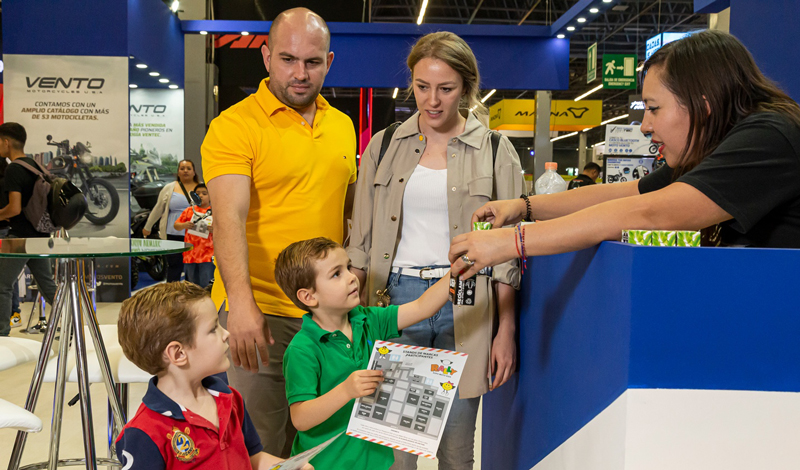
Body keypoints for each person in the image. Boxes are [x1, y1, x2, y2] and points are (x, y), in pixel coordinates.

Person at [448, 30, 800, 280]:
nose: (645, 126)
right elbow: (627, 193)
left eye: (654, 108)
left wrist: (512, 242)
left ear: (703, 106)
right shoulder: (715, 146)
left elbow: (650, 212)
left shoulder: (768, 137)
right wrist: (524, 207)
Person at [347, 31, 524, 469]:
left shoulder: (496, 150)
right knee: (398, 451)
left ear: (465, 87)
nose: (432, 100)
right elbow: (361, 244)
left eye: (445, 89)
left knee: (456, 450)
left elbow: (508, 256)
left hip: (467, 305)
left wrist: (507, 328)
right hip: (396, 302)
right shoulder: (383, 147)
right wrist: (354, 323)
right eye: (422, 87)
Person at [201, 7, 357, 456]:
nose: (300, 73)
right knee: (261, 446)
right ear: (266, 57)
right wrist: (242, 304)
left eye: (312, 61)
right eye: (288, 59)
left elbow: (345, 216)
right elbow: (227, 221)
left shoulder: (342, 126)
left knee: (322, 445)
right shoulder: (234, 126)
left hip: (325, 318)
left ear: (329, 61)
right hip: (261, 315)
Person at [275, 237, 451, 470]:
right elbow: (300, 418)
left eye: (348, 267)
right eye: (336, 274)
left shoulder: (368, 318)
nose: (351, 277)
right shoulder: (302, 349)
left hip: (377, 461)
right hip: (326, 464)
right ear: (308, 296)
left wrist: (456, 271)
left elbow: (422, 307)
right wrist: (346, 390)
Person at [115, 282, 312, 470]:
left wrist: (290, 466)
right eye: (213, 329)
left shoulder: (230, 398)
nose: (226, 333)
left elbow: (252, 457)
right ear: (178, 354)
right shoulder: (145, 433)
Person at [0, 123, 57, 337]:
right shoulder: (35, 165)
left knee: (2, 286)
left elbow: (14, 208)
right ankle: (76, 322)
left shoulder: (14, 168)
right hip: (40, 236)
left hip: (21, 236)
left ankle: (1, 335)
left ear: (6, 142)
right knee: (48, 286)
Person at [143, 159, 200, 282]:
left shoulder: (202, 188)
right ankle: (172, 295)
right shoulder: (169, 188)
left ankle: (193, 296)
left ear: (194, 172)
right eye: (182, 168)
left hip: (196, 234)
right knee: (174, 266)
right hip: (173, 234)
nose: (185, 171)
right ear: (178, 172)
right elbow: (158, 209)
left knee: (194, 267)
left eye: (189, 168)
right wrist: (148, 227)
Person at [174, 183, 214, 288]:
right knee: (191, 286)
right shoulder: (189, 210)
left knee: (207, 286)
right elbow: (176, 225)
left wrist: (214, 230)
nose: (201, 196)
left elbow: (224, 230)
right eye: (197, 193)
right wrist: (184, 225)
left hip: (207, 256)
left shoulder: (215, 212)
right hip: (190, 255)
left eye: (204, 193)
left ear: (211, 195)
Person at [0, 156, 23, 328]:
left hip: (4, 230)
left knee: (6, 280)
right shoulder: (8, 173)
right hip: (9, 230)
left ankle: (11, 316)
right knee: (9, 278)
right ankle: (14, 314)